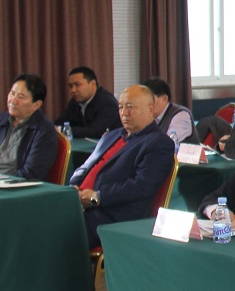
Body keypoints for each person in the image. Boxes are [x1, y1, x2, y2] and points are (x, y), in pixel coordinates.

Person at [69, 85, 176, 248]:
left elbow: (141, 186)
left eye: (130, 107)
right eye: (120, 107)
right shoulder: (111, 135)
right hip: (79, 205)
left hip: (111, 216)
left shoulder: (158, 143)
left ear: (150, 109)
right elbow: (86, 167)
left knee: (53, 229)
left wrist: (97, 196)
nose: (124, 113)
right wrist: (74, 187)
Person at [0, 74, 58, 180]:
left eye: (21, 97)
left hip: (14, 186)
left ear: (36, 105)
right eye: (12, 93)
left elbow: (31, 173)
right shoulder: (0, 120)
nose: (13, 100)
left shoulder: (44, 130)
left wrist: (2, 183)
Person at [55, 66, 120, 139]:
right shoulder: (75, 101)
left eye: (77, 85)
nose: (73, 90)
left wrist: (61, 130)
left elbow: (96, 132)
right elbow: (61, 121)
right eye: (70, 86)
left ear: (92, 84)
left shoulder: (107, 103)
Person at [142, 77, 198, 144]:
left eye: (149, 99)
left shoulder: (181, 115)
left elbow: (167, 143)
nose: (145, 104)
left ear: (164, 99)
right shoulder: (149, 116)